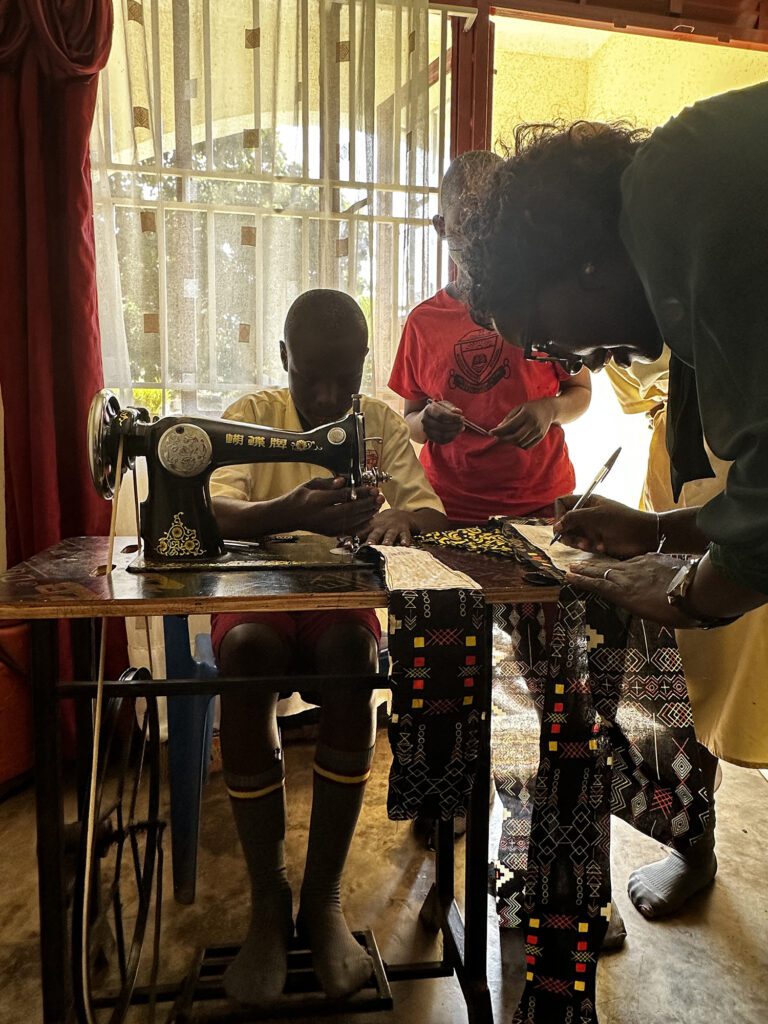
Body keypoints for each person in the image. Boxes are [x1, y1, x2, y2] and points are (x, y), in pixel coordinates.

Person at [208, 288, 447, 1007]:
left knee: (354, 658)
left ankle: (323, 902)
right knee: (245, 655)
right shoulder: (251, 415)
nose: (327, 394)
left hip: (338, 598)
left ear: (364, 367)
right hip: (255, 593)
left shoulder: (375, 421)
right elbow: (210, 507)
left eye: (345, 378)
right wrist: (284, 511)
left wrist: (402, 515)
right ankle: (268, 905)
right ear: (282, 357)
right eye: (309, 375)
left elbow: (430, 509)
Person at [458, 82, 768, 630]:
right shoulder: (677, 193)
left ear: (576, 265)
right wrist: (657, 533)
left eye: (544, 342)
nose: (587, 363)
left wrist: (688, 596)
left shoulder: (682, 187)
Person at [605, 351, 768, 917]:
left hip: (746, 489)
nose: (606, 360)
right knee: (685, 680)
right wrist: (653, 528)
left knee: (740, 679)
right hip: (693, 487)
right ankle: (695, 844)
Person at [389, 150, 592, 526]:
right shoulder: (423, 322)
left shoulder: (545, 307)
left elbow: (580, 392)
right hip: (446, 508)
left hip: (541, 505)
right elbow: (411, 421)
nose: (480, 241)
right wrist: (428, 423)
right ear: (440, 226)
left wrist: (549, 410)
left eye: (492, 226)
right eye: (466, 226)